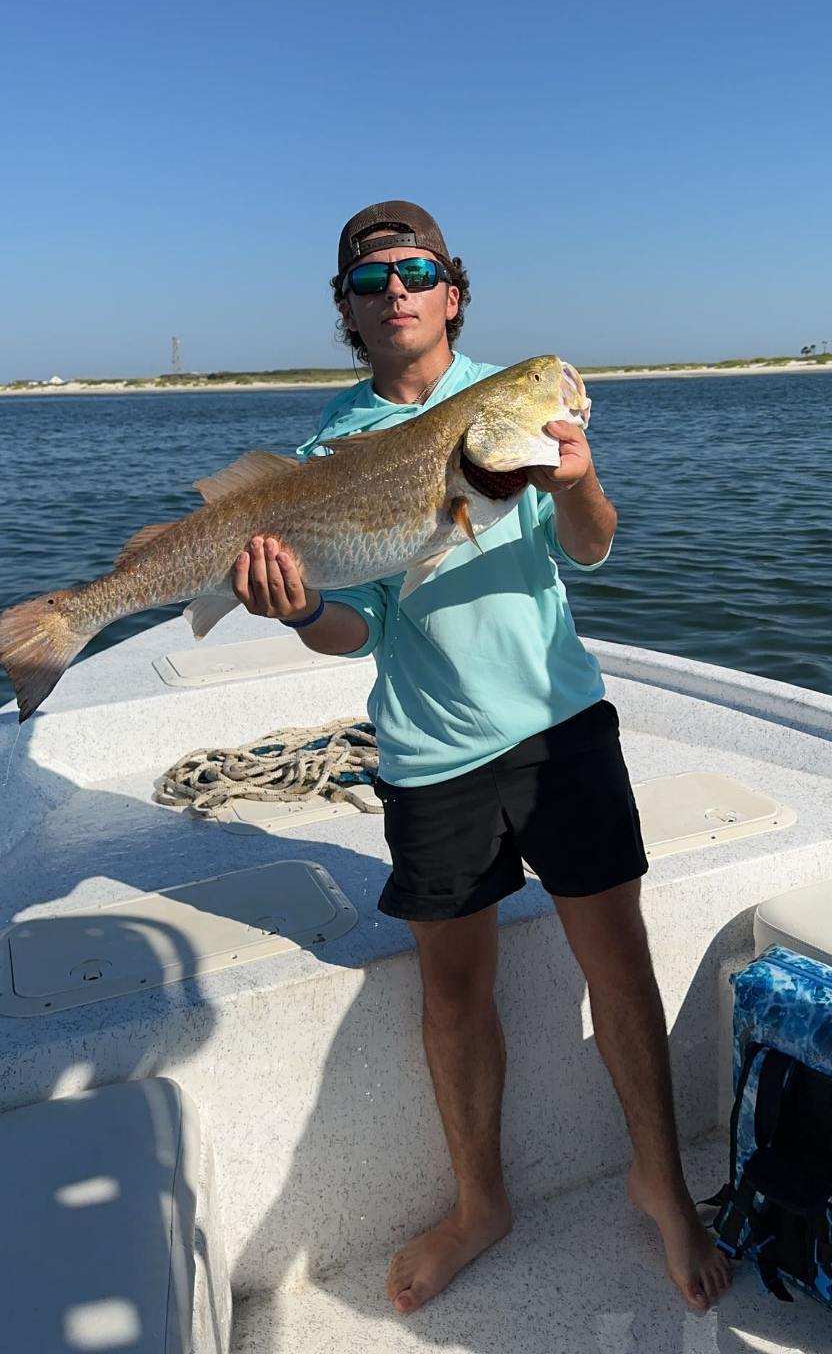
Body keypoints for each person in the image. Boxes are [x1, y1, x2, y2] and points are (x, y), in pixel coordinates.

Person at [230, 201, 732, 1316]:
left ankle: (660, 1181)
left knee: (619, 958)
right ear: (352, 312)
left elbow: (591, 547)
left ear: (452, 291)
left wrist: (577, 478)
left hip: (560, 727)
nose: (396, 289)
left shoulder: (517, 399)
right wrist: (300, 604)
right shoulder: (331, 447)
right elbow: (356, 627)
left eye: (416, 271)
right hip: (426, 750)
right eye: (373, 279)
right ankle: (480, 1201)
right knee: (454, 992)